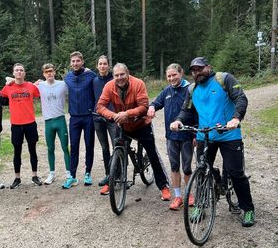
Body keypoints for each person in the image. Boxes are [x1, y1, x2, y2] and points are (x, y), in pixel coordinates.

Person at [170, 57, 255, 227]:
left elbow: (241, 99)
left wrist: (236, 118)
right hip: (205, 135)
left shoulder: (224, 79)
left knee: (236, 172)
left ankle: (248, 209)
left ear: (208, 67)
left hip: (228, 134)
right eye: (193, 70)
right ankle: (201, 205)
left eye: (200, 69)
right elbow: (186, 110)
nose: (196, 72)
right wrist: (179, 120)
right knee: (201, 171)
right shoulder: (192, 89)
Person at [97, 63, 170, 200]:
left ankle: (163, 186)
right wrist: (113, 115)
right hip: (124, 126)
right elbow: (100, 106)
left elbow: (144, 106)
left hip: (141, 124)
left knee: (152, 154)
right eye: (116, 75)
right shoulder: (109, 86)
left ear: (128, 73)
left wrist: (127, 113)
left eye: (122, 74)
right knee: (117, 151)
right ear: (113, 76)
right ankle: (112, 180)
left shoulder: (138, 84)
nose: (119, 78)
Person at [148, 63, 194, 210]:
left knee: (186, 168)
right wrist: (151, 107)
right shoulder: (167, 91)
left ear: (181, 74)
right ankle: (178, 196)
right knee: (174, 167)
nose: (172, 78)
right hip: (171, 137)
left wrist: (195, 134)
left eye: (174, 75)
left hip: (187, 135)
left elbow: (197, 112)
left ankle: (190, 195)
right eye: (169, 76)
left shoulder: (190, 90)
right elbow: (156, 102)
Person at [0, 63, 42, 189]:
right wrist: (7, 82)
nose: (19, 72)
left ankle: (34, 176)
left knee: (32, 150)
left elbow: (43, 91)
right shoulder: (8, 87)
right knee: (17, 152)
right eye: (16, 70)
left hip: (30, 123)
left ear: (24, 73)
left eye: (21, 70)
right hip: (16, 124)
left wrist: (39, 83)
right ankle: (17, 178)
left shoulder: (31, 86)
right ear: (13, 73)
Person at [62, 51, 96, 189]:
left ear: (82, 62)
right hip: (74, 118)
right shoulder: (67, 77)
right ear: (71, 63)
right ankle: (72, 176)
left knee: (89, 145)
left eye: (78, 61)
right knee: (74, 146)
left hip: (88, 117)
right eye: (73, 61)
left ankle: (88, 173)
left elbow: (102, 81)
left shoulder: (90, 75)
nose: (75, 63)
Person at [35, 63, 71, 185]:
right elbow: (23, 84)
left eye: (51, 71)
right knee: (50, 148)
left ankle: (68, 173)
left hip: (60, 119)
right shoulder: (40, 85)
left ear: (54, 72)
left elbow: (76, 86)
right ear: (43, 74)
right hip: (48, 121)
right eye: (46, 72)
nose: (49, 73)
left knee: (65, 147)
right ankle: (52, 173)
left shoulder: (62, 84)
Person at [93, 55, 116, 195]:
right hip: (98, 118)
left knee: (117, 146)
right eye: (100, 64)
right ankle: (109, 175)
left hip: (113, 118)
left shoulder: (114, 80)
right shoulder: (94, 81)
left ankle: (118, 176)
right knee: (104, 148)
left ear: (109, 66)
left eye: (105, 64)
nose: (102, 66)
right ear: (97, 66)